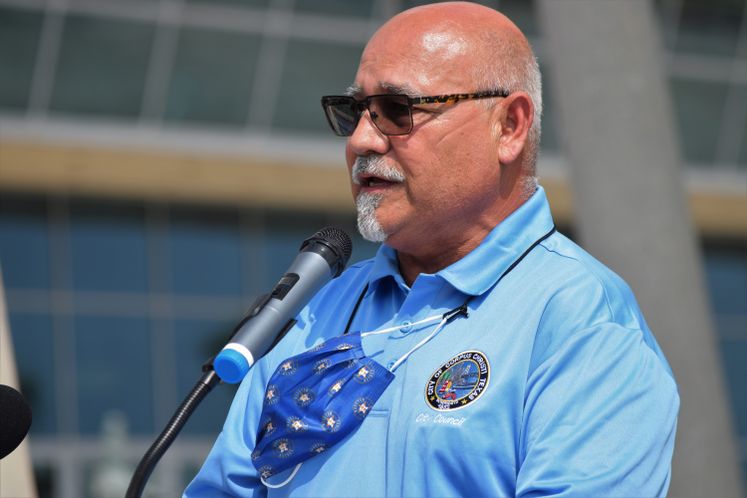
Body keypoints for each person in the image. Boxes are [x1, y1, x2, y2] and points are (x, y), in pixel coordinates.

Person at [185, 2, 679, 496]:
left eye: (397, 111)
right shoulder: (313, 310)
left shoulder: (582, 320)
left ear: (508, 126)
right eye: (354, 112)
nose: (361, 140)